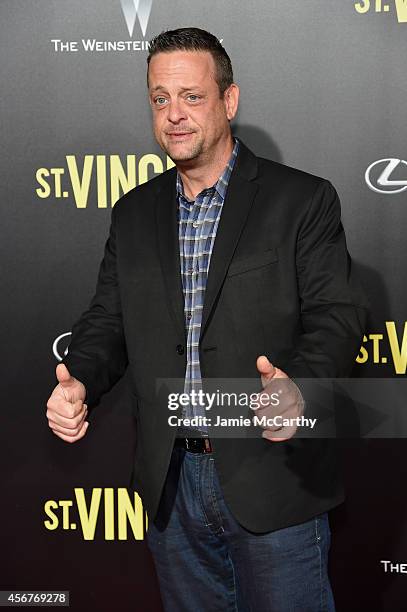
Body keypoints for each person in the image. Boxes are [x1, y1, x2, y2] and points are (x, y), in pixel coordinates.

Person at [46, 27, 367, 611]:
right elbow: (107, 322)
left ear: (229, 101)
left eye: (191, 97)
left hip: (274, 479)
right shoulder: (133, 212)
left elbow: (337, 316)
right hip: (171, 486)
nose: (174, 115)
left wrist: (299, 386)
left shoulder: (302, 200)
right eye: (160, 99)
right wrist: (81, 379)